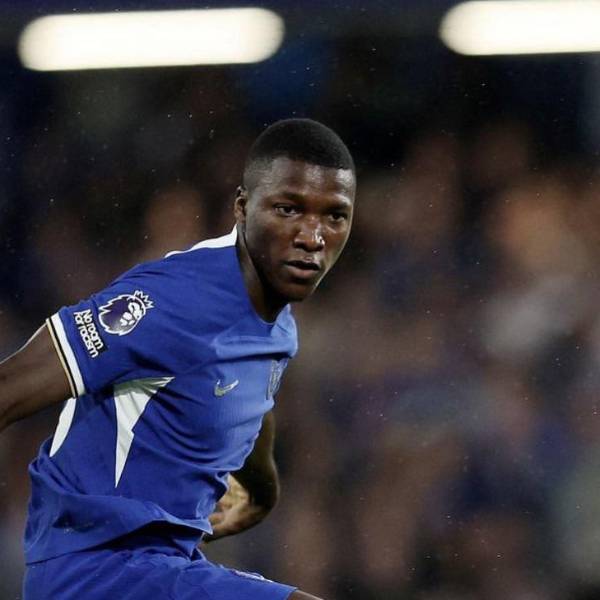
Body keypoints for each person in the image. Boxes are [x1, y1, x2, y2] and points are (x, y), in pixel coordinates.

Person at [0, 118, 356, 600]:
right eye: (288, 209)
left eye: (334, 216)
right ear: (242, 208)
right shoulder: (171, 300)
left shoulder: (278, 328)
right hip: (93, 569)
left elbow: (238, 393)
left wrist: (260, 489)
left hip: (164, 568)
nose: (312, 237)